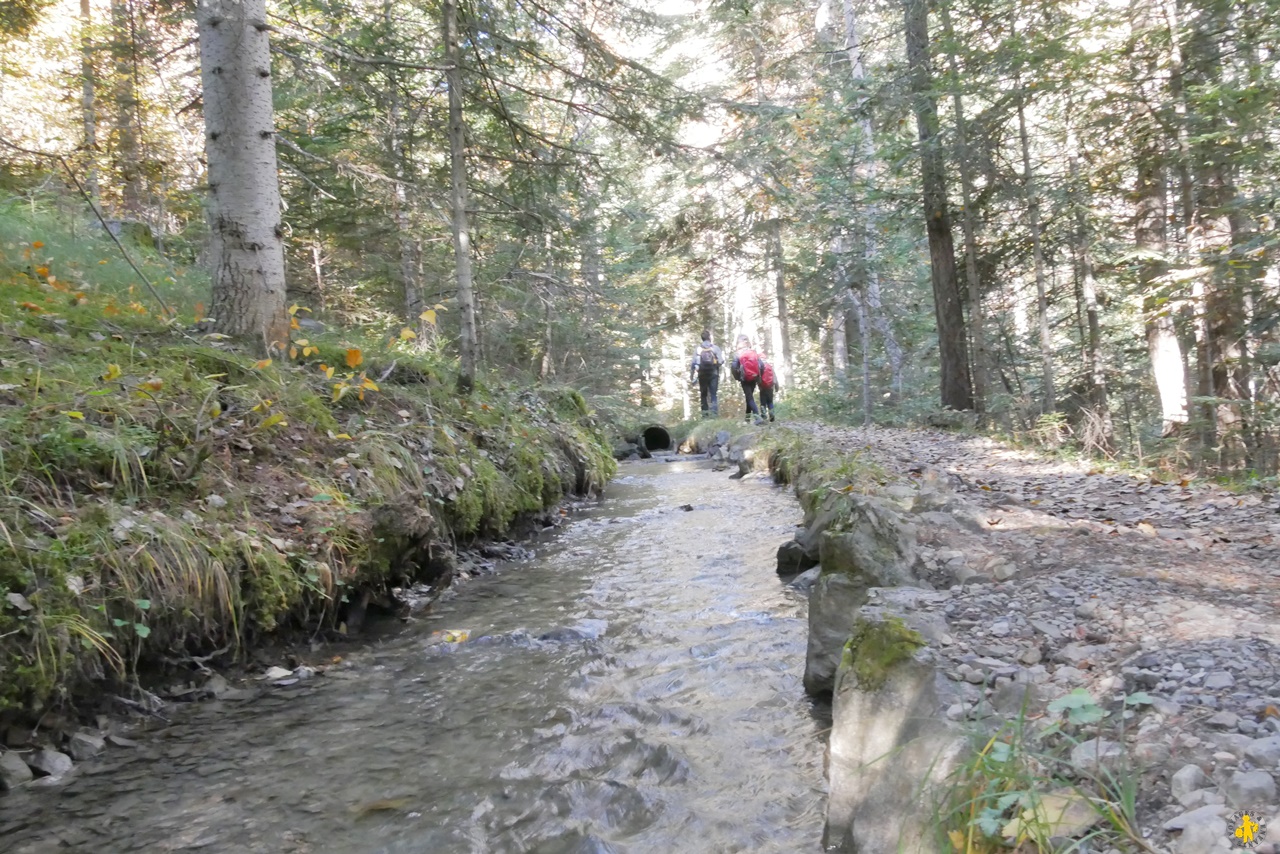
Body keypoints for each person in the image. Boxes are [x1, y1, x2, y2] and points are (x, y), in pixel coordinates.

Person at [688, 329, 724, 417]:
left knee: (703, 394)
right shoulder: (715, 348)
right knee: (713, 394)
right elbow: (721, 361)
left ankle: (705, 415)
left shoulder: (698, 349)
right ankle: (714, 415)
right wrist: (715, 365)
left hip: (702, 374)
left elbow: (693, 363)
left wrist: (692, 375)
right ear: (709, 337)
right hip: (713, 374)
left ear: (702, 338)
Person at [730, 335, 763, 422]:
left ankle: (758, 418)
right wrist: (758, 376)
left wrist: (738, 377)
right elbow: (762, 365)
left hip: (744, 378)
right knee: (749, 396)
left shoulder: (738, 353)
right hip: (754, 377)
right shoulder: (753, 352)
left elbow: (733, 367)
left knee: (749, 397)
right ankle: (747, 419)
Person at [757, 349, 777, 422]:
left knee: (763, 403)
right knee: (770, 402)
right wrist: (776, 386)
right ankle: (772, 416)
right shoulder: (769, 366)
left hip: (762, 388)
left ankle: (763, 417)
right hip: (770, 387)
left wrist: (759, 384)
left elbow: (757, 377)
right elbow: (774, 376)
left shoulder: (759, 366)